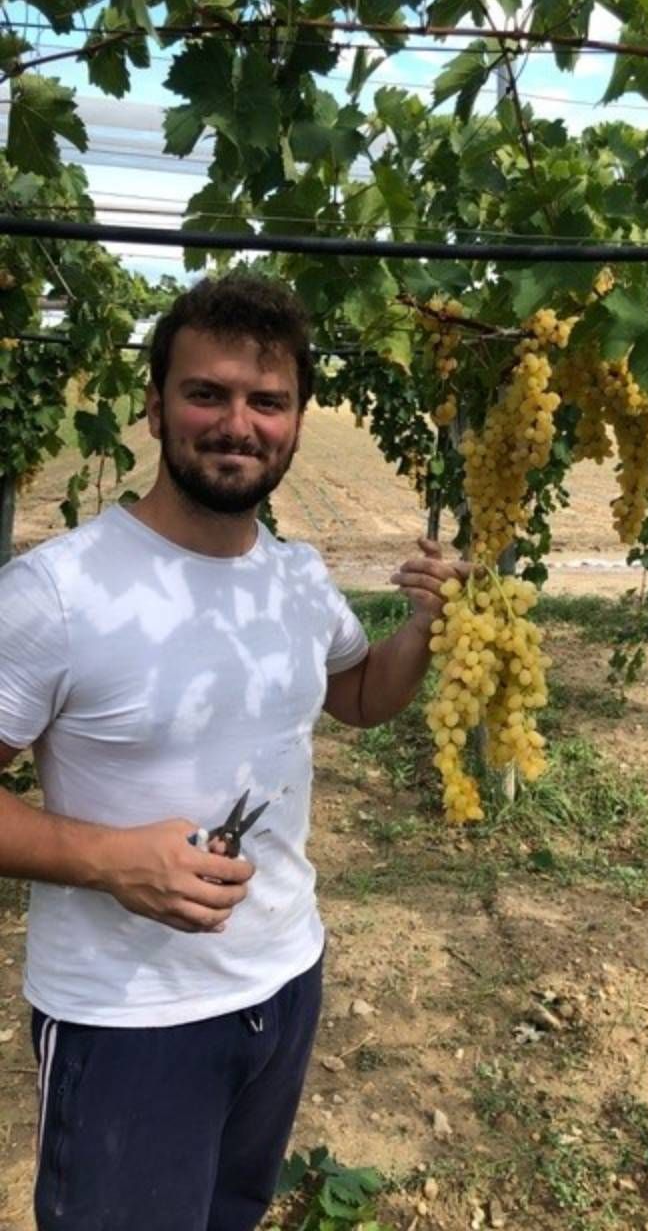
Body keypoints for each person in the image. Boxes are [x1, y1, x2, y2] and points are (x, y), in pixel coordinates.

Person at [0, 272, 468, 1231]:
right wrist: (112, 861)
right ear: (155, 405)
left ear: (297, 420)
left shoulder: (295, 577)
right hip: (128, 1026)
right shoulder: (55, 593)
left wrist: (423, 625)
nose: (237, 424)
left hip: (285, 982)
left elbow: (361, 696)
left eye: (268, 401)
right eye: (206, 393)